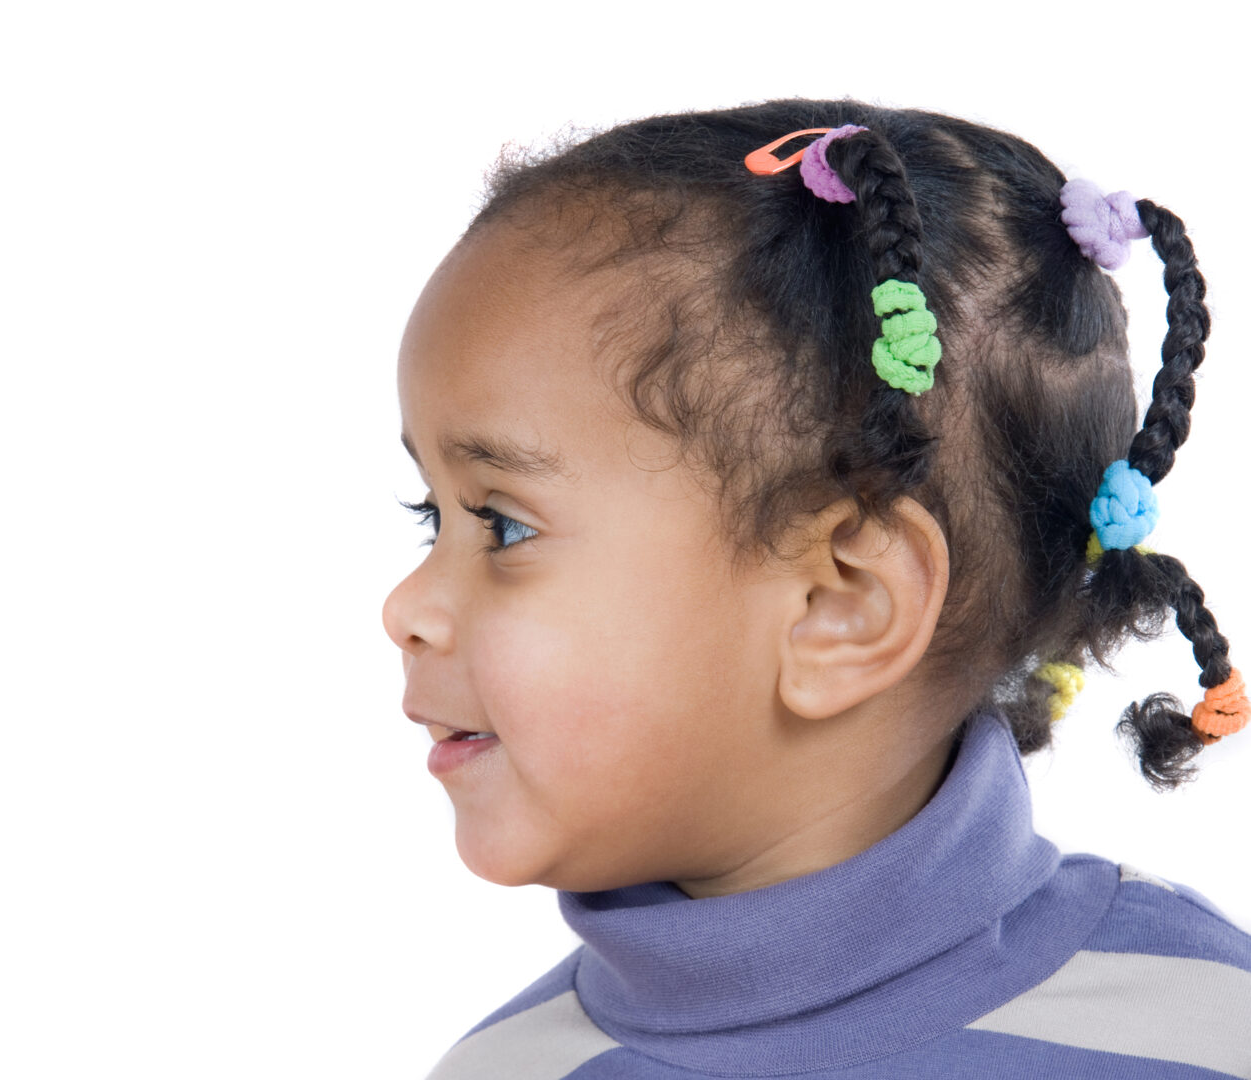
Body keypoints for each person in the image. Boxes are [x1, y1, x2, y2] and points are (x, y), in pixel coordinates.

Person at [380, 99, 1251, 1078]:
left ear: (842, 605)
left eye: (502, 525)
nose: (401, 608)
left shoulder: (1208, 1030)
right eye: (432, 515)